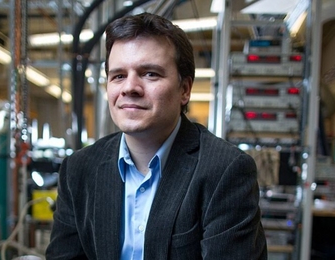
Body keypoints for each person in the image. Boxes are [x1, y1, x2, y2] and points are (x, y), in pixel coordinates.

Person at [46, 12, 267, 260]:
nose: (129, 87)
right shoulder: (78, 169)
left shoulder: (225, 171)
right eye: (118, 75)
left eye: (150, 73)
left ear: (184, 90)